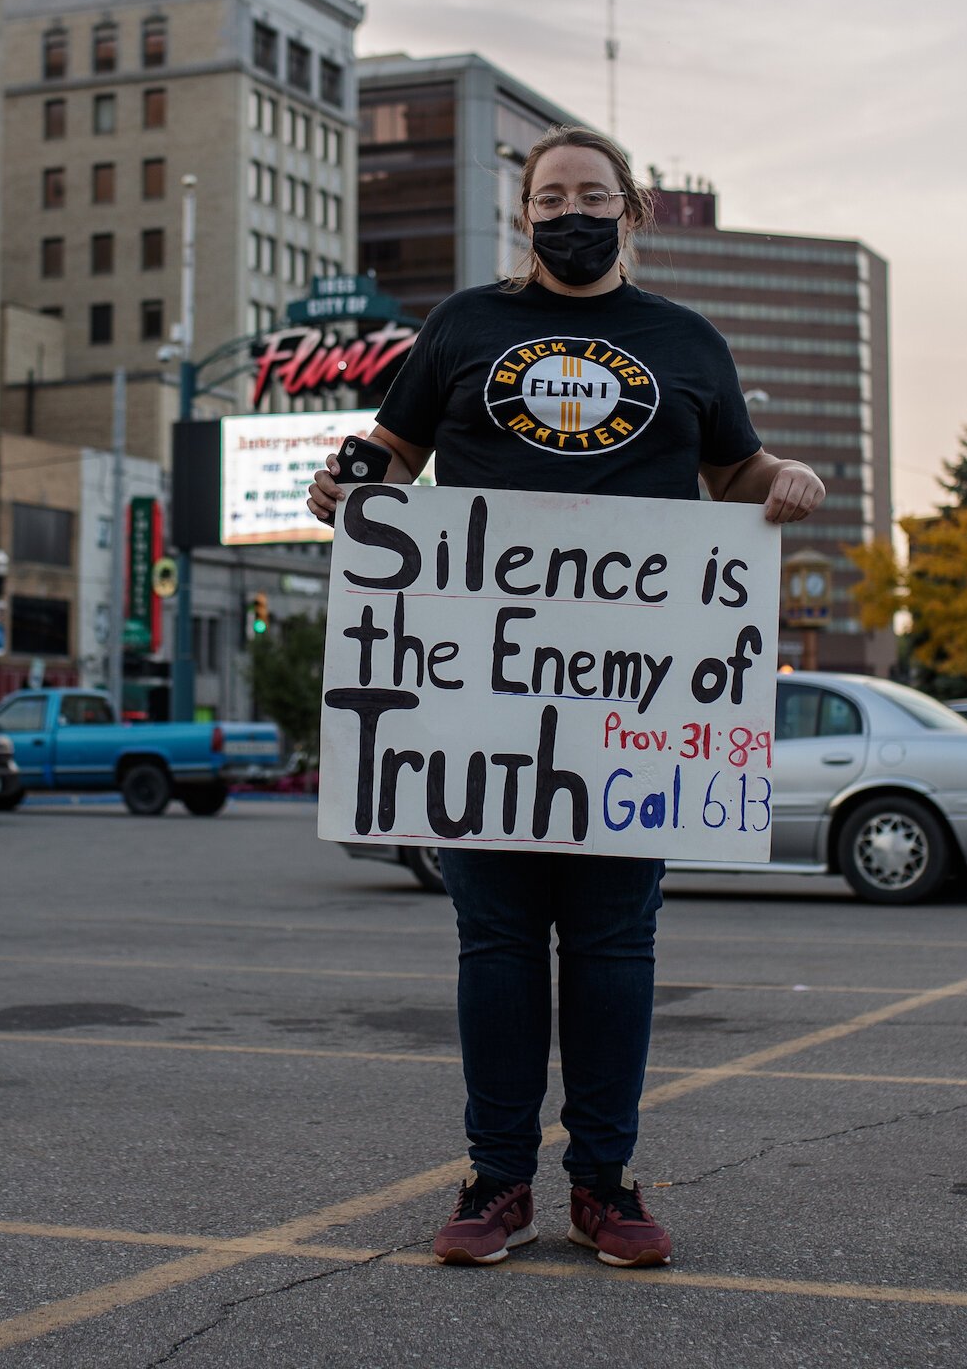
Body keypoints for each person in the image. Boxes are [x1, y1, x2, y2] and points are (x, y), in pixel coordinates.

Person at [306, 125, 824, 1270]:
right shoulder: (465, 328)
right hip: (477, 698)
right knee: (492, 943)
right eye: (551, 196)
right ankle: (497, 1183)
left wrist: (782, 479)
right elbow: (389, 457)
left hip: (628, 701)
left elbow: (735, 473)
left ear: (628, 212)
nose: (570, 211)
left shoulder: (686, 341)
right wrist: (342, 491)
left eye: (592, 194)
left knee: (612, 948)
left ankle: (603, 1182)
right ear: (524, 214)